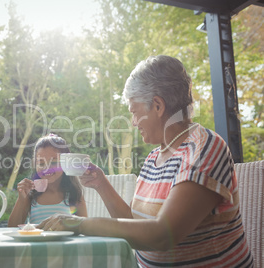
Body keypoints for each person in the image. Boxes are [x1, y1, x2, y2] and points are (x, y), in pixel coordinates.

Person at [38, 55, 253, 267]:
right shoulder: (154, 158)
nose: (132, 122)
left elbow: (162, 235)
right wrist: (101, 185)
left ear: (158, 106)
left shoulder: (204, 149)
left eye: (134, 112)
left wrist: (80, 224)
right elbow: (135, 224)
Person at [8, 134, 87, 226]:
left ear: (66, 163)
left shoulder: (74, 194)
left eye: (53, 162)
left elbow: (84, 227)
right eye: (41, 163)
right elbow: (12, 227)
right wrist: (21, 199)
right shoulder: (31, 195)